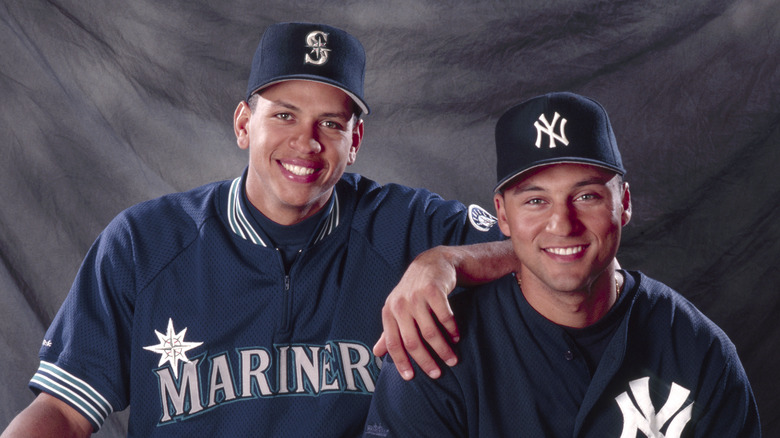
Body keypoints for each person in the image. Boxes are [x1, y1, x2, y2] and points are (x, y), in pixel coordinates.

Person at [1, 22, 517, 437]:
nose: (307, 142)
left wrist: (445, 261)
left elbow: (563, 254)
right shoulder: (144, 242)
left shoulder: (404, 225)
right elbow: (65, 415)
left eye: (330, 124)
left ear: (355, 139)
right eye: (285, 116)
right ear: (245, 123)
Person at [363, 92, 761, 437]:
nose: (562, 224)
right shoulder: (438, 354)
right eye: (536, 200)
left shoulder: (696, 349)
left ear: (623, 204)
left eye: (586, 196)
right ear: (502, 215)